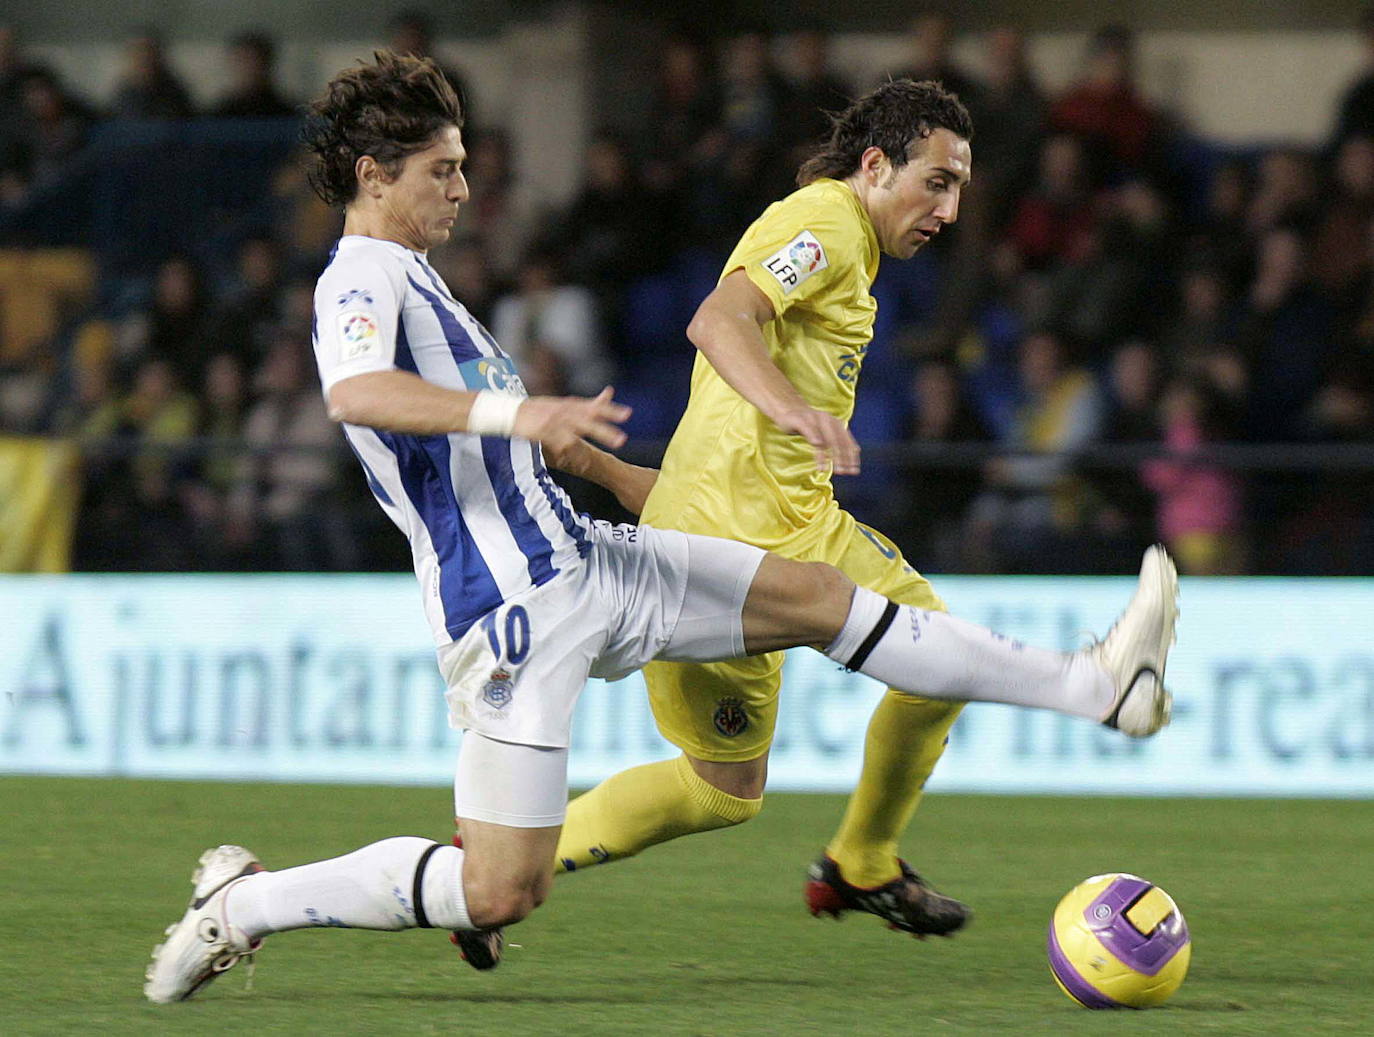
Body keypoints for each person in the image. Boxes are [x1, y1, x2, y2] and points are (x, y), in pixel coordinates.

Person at [144, 52, 1178, 1003]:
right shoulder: (359, 278)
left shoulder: (424, 284)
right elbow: (358, 393)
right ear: (373, 173)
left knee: (826, 602)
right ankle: (242, 905)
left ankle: (1099, 686)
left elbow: (499, 446)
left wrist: (590, 459)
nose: (463, 188)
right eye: (443, 170)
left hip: (592, 562)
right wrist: (527, 410)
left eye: (462, 168)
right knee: (498, 889)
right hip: (515, 610)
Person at [546, 79, 1124, 939]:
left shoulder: (849, 243)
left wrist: (613, 468)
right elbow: (718, 320)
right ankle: (502, 863)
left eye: (960, 188)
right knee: (722, 787)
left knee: (938, 658)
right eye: (936, 182)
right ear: (875, 164)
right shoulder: (824, 224)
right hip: (723, 549)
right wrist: (792, 407)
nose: (951, 209)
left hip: (790, 523)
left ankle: (862, 862)